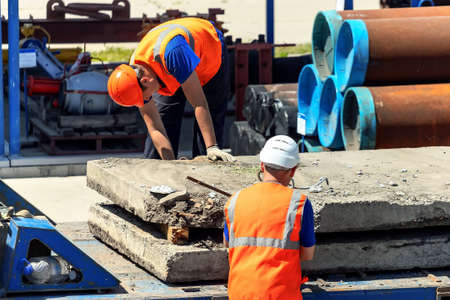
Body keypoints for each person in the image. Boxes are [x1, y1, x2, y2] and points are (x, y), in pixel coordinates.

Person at [107, 17, 235, 162]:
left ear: (145, 81)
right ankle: (154, 175)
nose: (144, 102)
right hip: (171, 66)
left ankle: (207, 167)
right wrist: (170, 165)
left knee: (208, 124)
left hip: (209, 51)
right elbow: (155, 129)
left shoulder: (173, 53)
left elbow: (200, 103)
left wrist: (212, 147)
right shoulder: (134, 73)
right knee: (165, 118)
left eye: (143, 98)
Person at [223, 135, 316, 299]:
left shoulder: (235, 201)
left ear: (261, 165)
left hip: (240, 294)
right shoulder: (299, 203)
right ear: (293, 170)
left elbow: (228, 244)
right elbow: (307, 255)